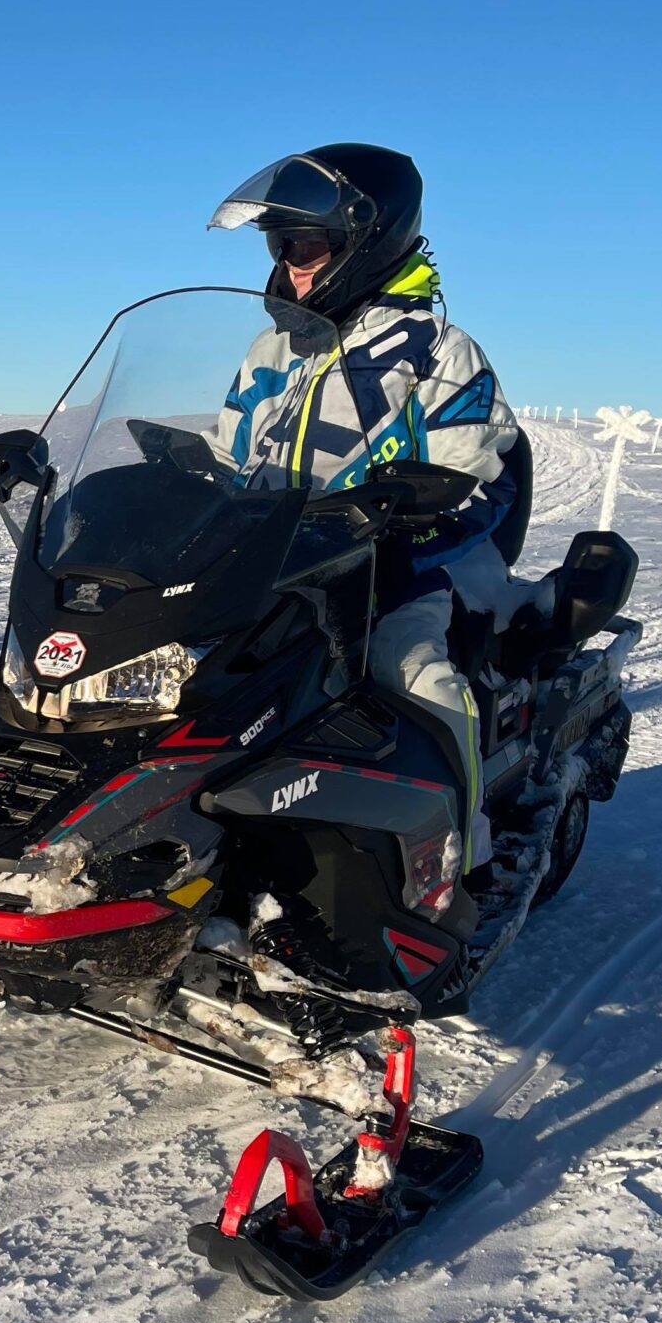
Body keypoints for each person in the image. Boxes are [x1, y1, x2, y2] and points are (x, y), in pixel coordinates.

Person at [208, 143, 531, 881]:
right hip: (274, 567)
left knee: (417, 676)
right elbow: (231, 453)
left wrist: (406, 527)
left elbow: (478, 474)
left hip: (394, 570)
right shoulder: (272, 348)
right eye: (282, 246)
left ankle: (460, 855)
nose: (292, 264)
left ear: (367, 241)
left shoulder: (437, 351)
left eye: (307, 244)